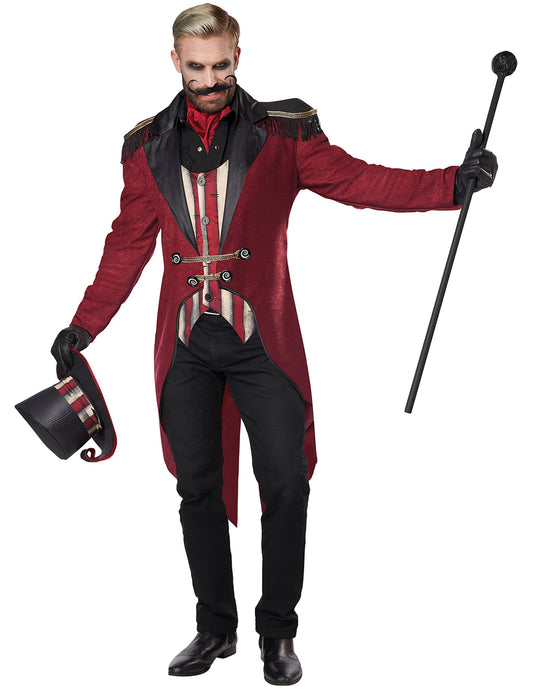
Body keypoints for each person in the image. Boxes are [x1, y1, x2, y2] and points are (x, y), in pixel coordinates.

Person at [51, 3, 497, 685]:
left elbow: (358, 181)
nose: (209, 80)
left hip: (263, 342)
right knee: (195, 487)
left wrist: (449, 183)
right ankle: (214, 627)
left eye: (220, 65)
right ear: (175, 62)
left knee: (286, 481)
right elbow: (127, 246)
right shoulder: (145, 148)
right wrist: (83, 324)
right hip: (186, 345)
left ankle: (278, 633)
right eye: (195, 67)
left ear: (238, 56)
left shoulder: (282, 133)